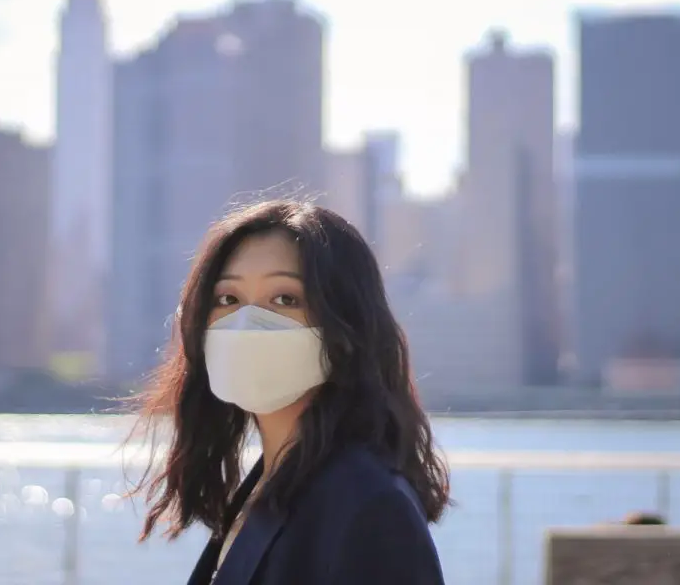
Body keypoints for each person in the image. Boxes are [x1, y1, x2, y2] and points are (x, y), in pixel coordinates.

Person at [130, 199, 450, 585]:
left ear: (346, 328)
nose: (247, 323)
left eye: (285, 299)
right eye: (228, 300)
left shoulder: (370, 504)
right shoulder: (268, 484)